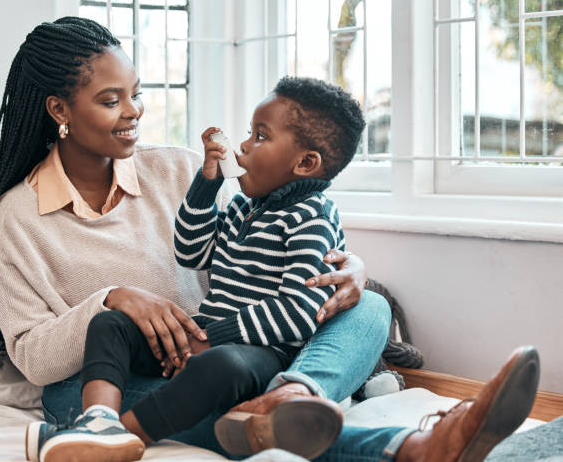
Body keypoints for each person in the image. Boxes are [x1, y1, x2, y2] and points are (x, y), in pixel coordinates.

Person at [0, 17, 539, 462]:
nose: (134, 111)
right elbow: (32, 357)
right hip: (104, 387)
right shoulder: (21, 217)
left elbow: (265, 238)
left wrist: (350, 266)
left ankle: (293, 394)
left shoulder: (176, 168)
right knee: (206, 405)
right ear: (60, 109)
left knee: (372, 307)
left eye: (134, 93)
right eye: (111, 101)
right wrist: (112, 299)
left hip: (228, 352)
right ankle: (406, 446)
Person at [26, 76, 366, 462]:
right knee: (109, 324)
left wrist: (210, 337)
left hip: (262, 351)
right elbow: (191, 251)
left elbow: (297, 314)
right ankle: (98, 421)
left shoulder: (312, 218)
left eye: (260, 136)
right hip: (205, 336)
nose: (243, 145)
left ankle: (125, 436)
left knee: (219, 365)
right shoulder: (244, 207)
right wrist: (206, 184)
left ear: (305, 163)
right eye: (249, 133)